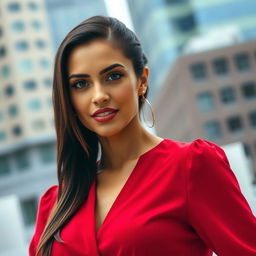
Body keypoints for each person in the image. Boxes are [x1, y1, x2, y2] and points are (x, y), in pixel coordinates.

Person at [29, 15, 256, 256]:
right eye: (81, 84)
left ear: (142, 80)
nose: (99, 96)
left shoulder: (191, 166)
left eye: (113, 76)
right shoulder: (54, 204)